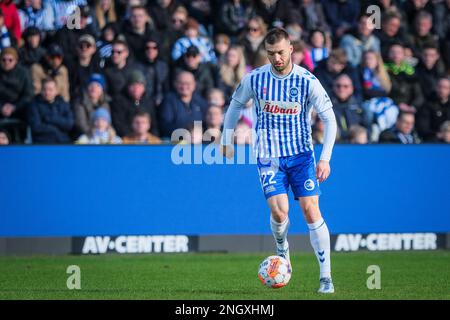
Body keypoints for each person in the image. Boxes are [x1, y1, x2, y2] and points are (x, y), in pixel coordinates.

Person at [220, 28, 337, 294]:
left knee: (310, 210)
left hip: (302, 156)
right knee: (279, 212)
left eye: (281, 52)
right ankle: (282, 246)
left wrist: (325, 159)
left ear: (291, 49)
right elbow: (235, 105)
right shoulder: (256, 78)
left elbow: (329, 119)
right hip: (268, 156)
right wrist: (226, 139)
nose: (277, 58)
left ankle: (326, 277)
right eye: (271, 53)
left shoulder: (308, 81)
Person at [159, 71, 208, 138]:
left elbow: (206, 122)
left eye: (188, 83)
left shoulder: (201, 102)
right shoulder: (169, 101)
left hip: (198, 139)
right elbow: (165, 125)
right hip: (175, 140)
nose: (184, 86)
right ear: (175, 84)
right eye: (181, 83)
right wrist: (185, 133)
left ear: (194, 85)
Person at [27, 77, 74, 143]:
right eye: (44, 89)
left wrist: (52, 119)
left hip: (63, 142)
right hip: (43, 143)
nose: (47, 93)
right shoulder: (34, 104)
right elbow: (36, 127)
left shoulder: (63, 104)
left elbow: (69, 124)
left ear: (56, 91)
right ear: (41, 90)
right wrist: (55, 130)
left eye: (50, 90)